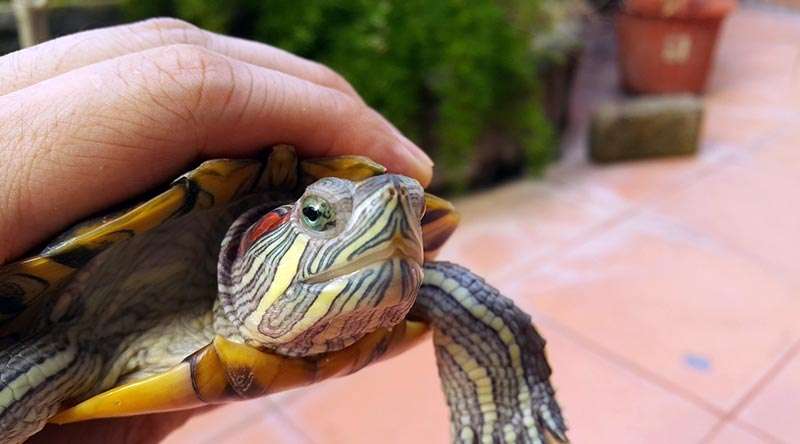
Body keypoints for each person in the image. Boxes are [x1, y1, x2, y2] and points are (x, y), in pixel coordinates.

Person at [0, 18, 433, 443]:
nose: (392, 223)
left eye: (410, 214)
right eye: (319, 216)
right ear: (247, 246)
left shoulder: (411, 283)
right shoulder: (83, 337)